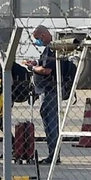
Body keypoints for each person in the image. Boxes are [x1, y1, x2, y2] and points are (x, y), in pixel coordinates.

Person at [24, 25, 60, 165]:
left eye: (38, 39)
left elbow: (46, 70)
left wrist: (33, 68)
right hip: (47, 90)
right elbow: (44, 64)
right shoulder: (49, 49)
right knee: (49, 119)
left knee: (50, 122)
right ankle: (53, 153)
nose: (37, 42)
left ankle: (53, 154)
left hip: (49, 90)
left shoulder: (51, 48)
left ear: (43, 36)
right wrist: (36, 62)